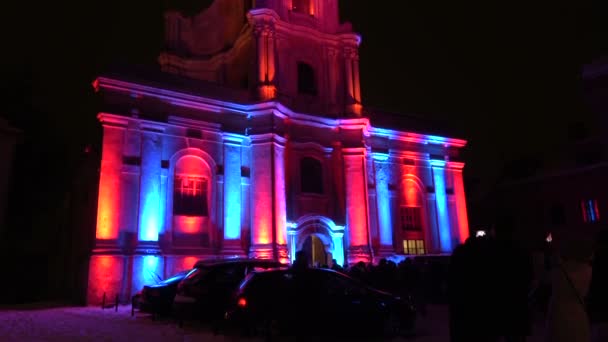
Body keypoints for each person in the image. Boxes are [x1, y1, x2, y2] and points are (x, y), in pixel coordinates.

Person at [544, 229, 594, 342]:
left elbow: (545, 278)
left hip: (559, 313)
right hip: (579, 313)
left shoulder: (559, 270)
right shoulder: (588, 270)